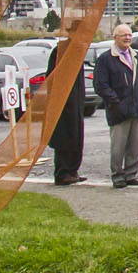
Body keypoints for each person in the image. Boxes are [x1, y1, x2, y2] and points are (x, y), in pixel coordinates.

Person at [92, 23, 138, 187]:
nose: (127, 38)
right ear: (115, 38)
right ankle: (117, 176)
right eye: (123, 35)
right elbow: (101, 85)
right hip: (118, 110)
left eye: (129, 35)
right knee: (118, 146)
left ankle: (131, 175)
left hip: (137, 108)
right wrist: (115, 101)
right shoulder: (106, 59)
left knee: (135, 146)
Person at [45, 45, 88, 185]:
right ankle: (62, 173)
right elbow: (53, 78)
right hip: (63, 103)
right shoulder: (60, 51)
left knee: (76, 137)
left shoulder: (78, 51)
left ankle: (72, 169)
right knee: (64, 138)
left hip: (76, 102)